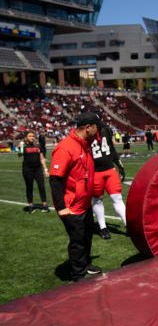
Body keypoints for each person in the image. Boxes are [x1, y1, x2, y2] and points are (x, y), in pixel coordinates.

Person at [49, 112, 102, 282]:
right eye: (96, 128)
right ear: (88, 128)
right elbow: (55, 179)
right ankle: (78, 275)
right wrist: (62, 207)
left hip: (84, 203)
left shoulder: (85, 144)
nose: (98, 132)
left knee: (87, 235)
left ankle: (84, 265)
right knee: (77, 240)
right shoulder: (66, 147)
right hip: (72, 206)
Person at [81, 104, 126, 240]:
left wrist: (119, 163)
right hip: (94, 172)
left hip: (109, 169)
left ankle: (128, 224)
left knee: (117, 198)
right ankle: (102, 227)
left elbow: (111, 148)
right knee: (97, 200)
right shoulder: (84, 132)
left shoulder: (105, 129)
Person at [18, 130, 50, 213]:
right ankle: (31, 206)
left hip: (38, 169)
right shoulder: (23, 146)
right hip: (27, 169)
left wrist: (46, 169)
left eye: (33, 136)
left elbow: (42, 158)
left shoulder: (38, 146)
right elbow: (19, 155)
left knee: (41, 186)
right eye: (30, 136)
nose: (32, 137)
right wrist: (20, 147)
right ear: (26, 137)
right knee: (29, 187)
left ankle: (45, 205)